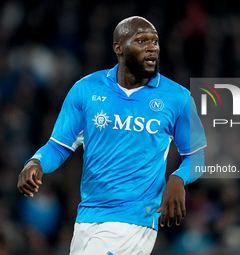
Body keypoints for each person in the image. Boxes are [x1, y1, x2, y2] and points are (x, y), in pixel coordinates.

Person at [17, 16, 206, 255]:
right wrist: (36, 162)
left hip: (133, 220)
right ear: (119, 48)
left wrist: (178, 179)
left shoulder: (177, 98)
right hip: (87, 217)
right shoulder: (86, 89)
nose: (151, 48)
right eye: (141, 41)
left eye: (155, 42)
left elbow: (196, 157)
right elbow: (59, 146)